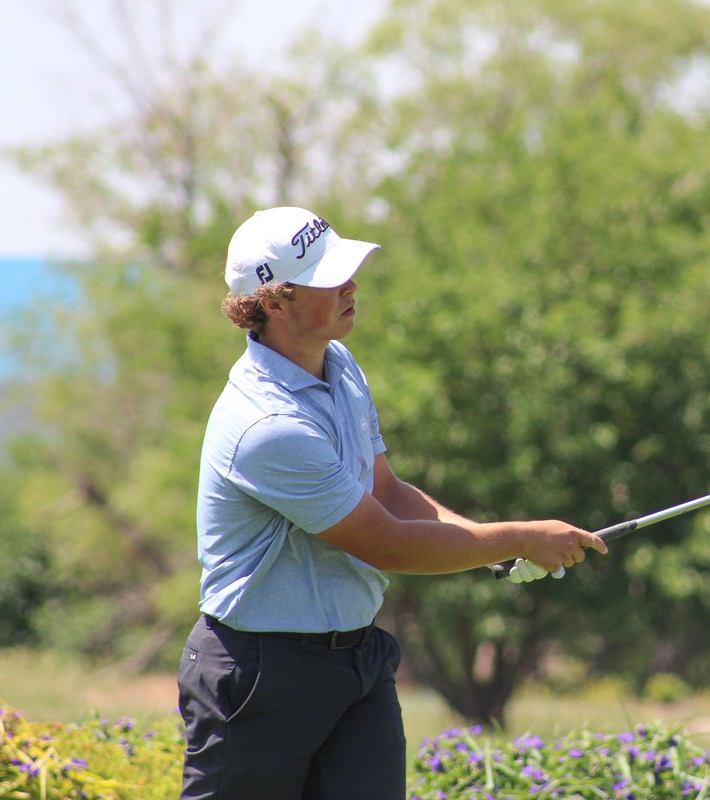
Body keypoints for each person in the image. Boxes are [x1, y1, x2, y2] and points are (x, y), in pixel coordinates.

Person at [177, 206, 607, 800]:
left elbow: (387, 492)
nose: (352, 285)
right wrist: (519, 537)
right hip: (260, 674)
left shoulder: (341, 366)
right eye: (331, 278)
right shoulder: (267, 424)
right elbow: (387, 542)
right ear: (276, 302)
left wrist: (490, 546)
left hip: (357, 661)